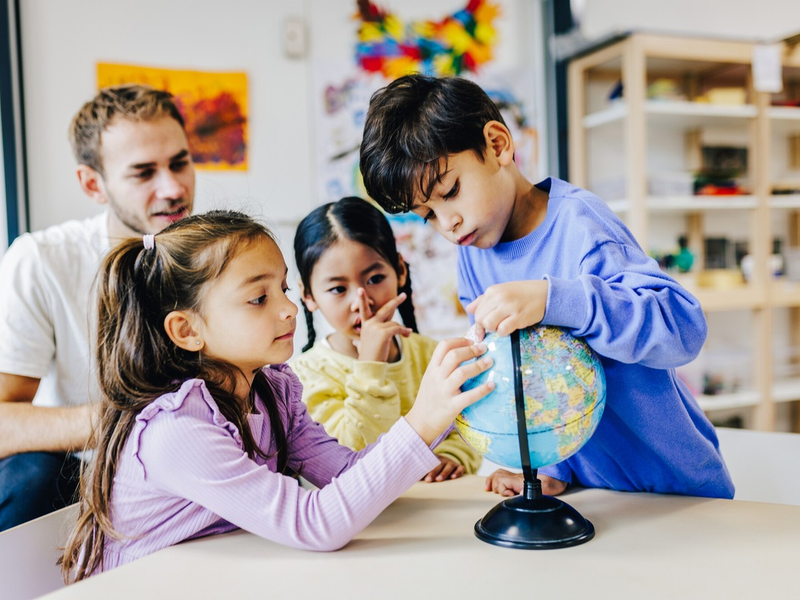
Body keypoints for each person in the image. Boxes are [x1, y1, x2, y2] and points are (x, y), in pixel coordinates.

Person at [60, 210, 494, 581]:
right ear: (187, 331)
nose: (288, 309)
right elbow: (315, 523)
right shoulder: (177, 430)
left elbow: (345, 473)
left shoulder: (271, 392)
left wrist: (438, 417)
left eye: (284, 289)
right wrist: (422, 419)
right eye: (258, 298)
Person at [358, 74, 735, 500]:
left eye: (451, 191)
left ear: (497, 145)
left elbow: (683, 329)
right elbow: (534, 379)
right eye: (427, 214)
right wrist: (548, 467)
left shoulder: (581, 226)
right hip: (590, 496)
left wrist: (555, 299)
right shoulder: (473, 255)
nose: (448, 224)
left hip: (673, 489)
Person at [0, 84, 195, 531]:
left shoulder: (216, 258)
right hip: (81, 475)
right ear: (93, 184)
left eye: (180, 162)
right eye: (143, 173)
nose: (173, 187)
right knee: (30, 473)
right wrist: (133, 421)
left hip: (191, 466)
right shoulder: (42, 260)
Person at [290, 197, 481, 482]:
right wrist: (370, 365)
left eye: (375, 278)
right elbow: (348, 463)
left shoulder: (431, 355)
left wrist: (453, 456)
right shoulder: (302, 377)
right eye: (338, 289)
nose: (361, 301)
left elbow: (468, 430)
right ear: (309, 296)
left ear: (400, 271)